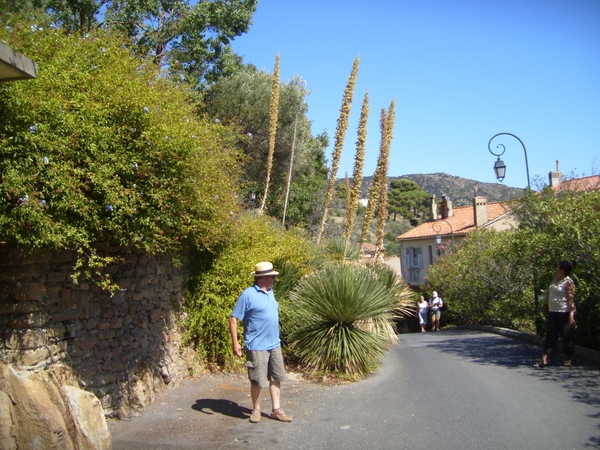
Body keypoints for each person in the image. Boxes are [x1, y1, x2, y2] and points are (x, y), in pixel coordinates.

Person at [229, 261, 293, 423]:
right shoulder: (247, 295)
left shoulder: (270, 292)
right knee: (257, 380)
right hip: (257, 346)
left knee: (276, 377)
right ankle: (256, 410)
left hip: (274, 344)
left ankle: (276, 410)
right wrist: (235, 343)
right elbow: (234, 318)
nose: (274, 280)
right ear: (263, 278)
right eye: (272, 277)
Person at [534, 260, 576, 368]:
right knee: (550, 336)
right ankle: (544, 358)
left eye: (558, 267)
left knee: (566, 336)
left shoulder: (568, 282)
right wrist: (545, 306)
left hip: (563, 312)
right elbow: (549, 294)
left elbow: (571, 300)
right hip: (553, 312)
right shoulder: (555, 280)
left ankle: (568, 357)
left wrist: (571, 314)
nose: (556, 268)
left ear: (562, 270)